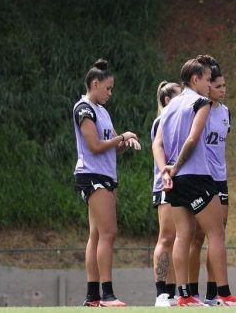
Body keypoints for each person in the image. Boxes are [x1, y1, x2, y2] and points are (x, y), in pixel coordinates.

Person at [155, 55, 236, 306]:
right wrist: (178, 166)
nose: (209, 84)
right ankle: (224, 293)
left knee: (183, 236)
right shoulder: (201, 102)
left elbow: (157, 144)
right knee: (216, 234)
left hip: (175, 181)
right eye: (206, 79)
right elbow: (192, 140)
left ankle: (184, 296)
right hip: (197, 175)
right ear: (195, 79)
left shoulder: (170, 106)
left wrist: (166, 171)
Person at [74, 59, 140, 307]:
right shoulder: (84, 108)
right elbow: (95, 146)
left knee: (97, 234)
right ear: (95, 83)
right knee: (109, 233)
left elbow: (111, 145)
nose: (110, 93)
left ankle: (92, 296)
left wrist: (125, 142)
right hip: (92, 176)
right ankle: (107, 294)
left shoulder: (102, 111)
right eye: (108, 88)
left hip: (105, 176)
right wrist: (122, 136)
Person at [191, 60, 234, 306]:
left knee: (218, 235)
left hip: (221, 180)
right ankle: (191, 292)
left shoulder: (225, 112)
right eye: (217, 85)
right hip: (202, 179)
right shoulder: (200, 109)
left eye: (224, 85)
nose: (222, 89)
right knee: (198, 237)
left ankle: (213, 293)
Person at [152, 81, 183, 306]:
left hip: (179, 184)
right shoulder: (162, 120)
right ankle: (161, 291)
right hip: (165, 185)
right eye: (178, 96)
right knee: (166, 237)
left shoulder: (177, 118)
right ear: (166, 100)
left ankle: (172, 292)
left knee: (176, 239)